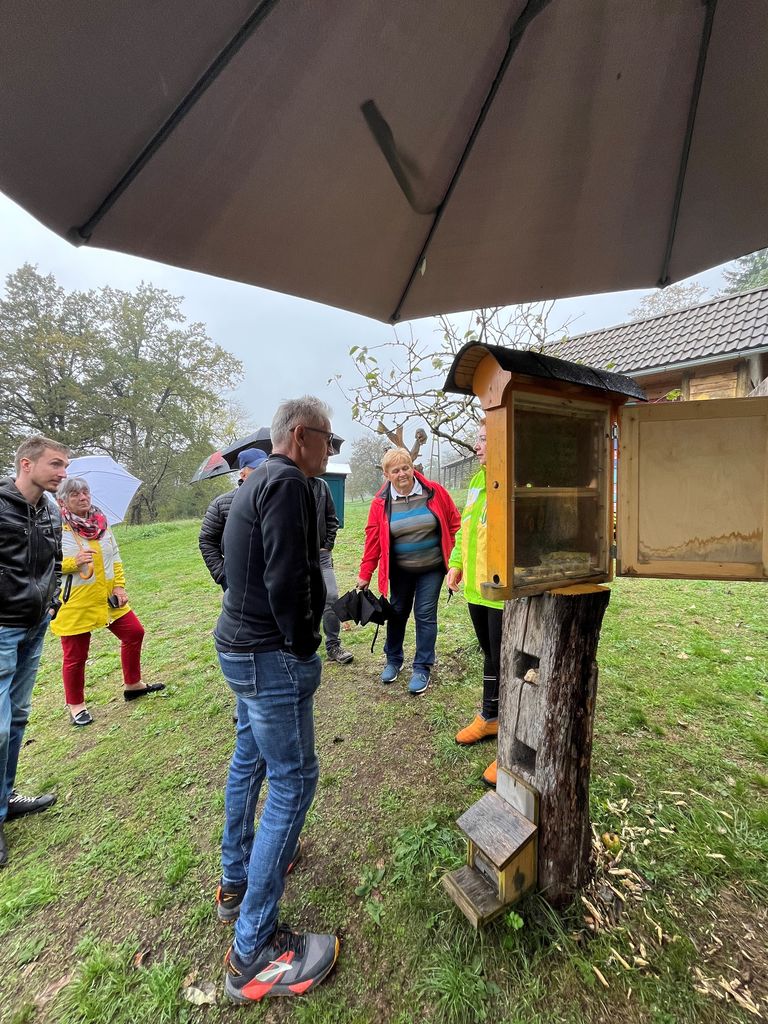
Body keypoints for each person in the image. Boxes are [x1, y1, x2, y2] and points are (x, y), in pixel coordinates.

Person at [214, 396, 339, 1002]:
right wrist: (305, 647)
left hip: (238, 646)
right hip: (269, 655)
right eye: (328, 440)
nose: (330, 451)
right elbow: (288, 577)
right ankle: (254, 952)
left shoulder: (260, 478)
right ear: (301, 435)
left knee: (250, 760)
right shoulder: (288, 482)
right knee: (293, 781)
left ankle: (235, 880)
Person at [0, 436, 69, 868]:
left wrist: (52, 600)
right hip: (2, 627)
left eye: (65, 466)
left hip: (36, 624)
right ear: (26, 464)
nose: (63, 473)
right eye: (56, 464)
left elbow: (54, 559)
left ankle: (5, 798)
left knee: (18, 717)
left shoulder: (51, 509)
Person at [50, 477, 163, 726]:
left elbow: (116, 557)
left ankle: (133, 684)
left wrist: (119, 586)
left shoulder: (100, 523)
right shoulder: (56, 529)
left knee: (134, 632)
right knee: (76, 656)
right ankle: (76, 706)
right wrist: (73, 562)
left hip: (107, 597)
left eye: (85, 492)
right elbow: (43, 565)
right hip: (75, 602)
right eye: (75, 494)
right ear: (62, 501)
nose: (83, 497)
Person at [357, 448, 460, 696]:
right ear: (386, 474)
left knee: (425, 614)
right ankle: (393, 660)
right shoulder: (380, 503)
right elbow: (373, 540)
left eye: (406, 467)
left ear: (412, 468)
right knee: (397, 612)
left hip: (432, 568)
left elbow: (454, 523)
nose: (402, 473)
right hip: (400, 569)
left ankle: (422, 666)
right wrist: (365, 573)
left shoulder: (434, 492)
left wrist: (456, 559)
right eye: (396, 470)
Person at [447, 421, 503, 788]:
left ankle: (512, 744)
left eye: (483, 439)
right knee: (490, 655)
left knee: (509, 665)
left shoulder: (514, 481)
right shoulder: (477, 482)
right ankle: (490, 717)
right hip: (475, 590)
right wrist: (456, 563)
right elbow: (465, 530)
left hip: (502, 592)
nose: (477, 446)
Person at [199, 448, 268, 589]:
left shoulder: (277, 498)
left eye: (265, 467)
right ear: (243, 474)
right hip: (240, 582)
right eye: (257, 469)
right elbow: (207, 540)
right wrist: (222, 575)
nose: (263, 473)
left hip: (275, 577)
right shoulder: (221, 504)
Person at [309, 476, 353, 665]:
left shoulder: (321, 486)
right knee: (300, 600)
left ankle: (333, 646)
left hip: (322, 555)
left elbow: (331, 518)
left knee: (331, 596)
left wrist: (327, 544)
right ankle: (304, 648)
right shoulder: (286, 483)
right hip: (295, 556)